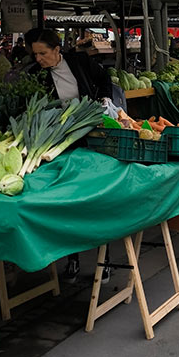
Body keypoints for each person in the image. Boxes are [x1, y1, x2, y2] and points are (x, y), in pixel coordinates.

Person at [30, 29, 114, 282]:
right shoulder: (37, 76)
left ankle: (105, 261)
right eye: (35, 54)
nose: (38, 59)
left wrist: (104, 98)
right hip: (60, 143)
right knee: (68, 201)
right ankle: (73, 260)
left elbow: (105, 77)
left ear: (57, 50)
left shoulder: (79, 62)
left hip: (90, 138)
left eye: (42, 53)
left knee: (97, 200)